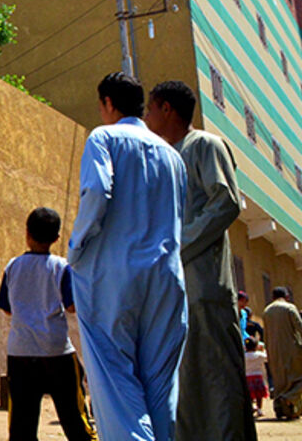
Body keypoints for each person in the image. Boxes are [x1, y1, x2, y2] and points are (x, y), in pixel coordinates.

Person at [70, 73, 187, 441]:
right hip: (166, 278)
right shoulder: (173, 156)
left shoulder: (103, 137)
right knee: (160, 387)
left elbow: (97, 191)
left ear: (108, 103)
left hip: (112, 277)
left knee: (115, 381)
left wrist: (76, 247)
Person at [146, 80, 257, 440]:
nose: (146, 117)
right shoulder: (164, 156)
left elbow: (225, 203)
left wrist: (178, 245)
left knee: (216, 379)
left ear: (167, 109)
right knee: (185, 383)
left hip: (205, 287)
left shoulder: (205, 146)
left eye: (150, 109)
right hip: (173, 290)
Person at [0, 208, 96, 441]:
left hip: (20, 353)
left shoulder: (12, 267)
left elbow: (7, 308)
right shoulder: (61, 267)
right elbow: (71, 307)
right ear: (57, 238)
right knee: (75, 417)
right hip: (56, 351)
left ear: (27, 234)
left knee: (22, 425)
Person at [263, 287, 302, 420]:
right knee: (297, 379)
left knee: (280, 382)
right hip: (292, 350)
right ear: (286, 296)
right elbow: (299, 327)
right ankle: (288, 398)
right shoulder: (289, 308)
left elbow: (265, 334)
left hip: (273, 351)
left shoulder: (267, 311)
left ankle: (280, 408)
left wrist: (268, 351)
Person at [245, 338, 268, 418]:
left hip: (247, 377)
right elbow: (266, 358)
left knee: (250, 395)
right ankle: (259, 409)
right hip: (258, 376)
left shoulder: (244, 356)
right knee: (259, 395)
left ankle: (251, 407)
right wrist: (263, 350)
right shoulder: (260, 355)